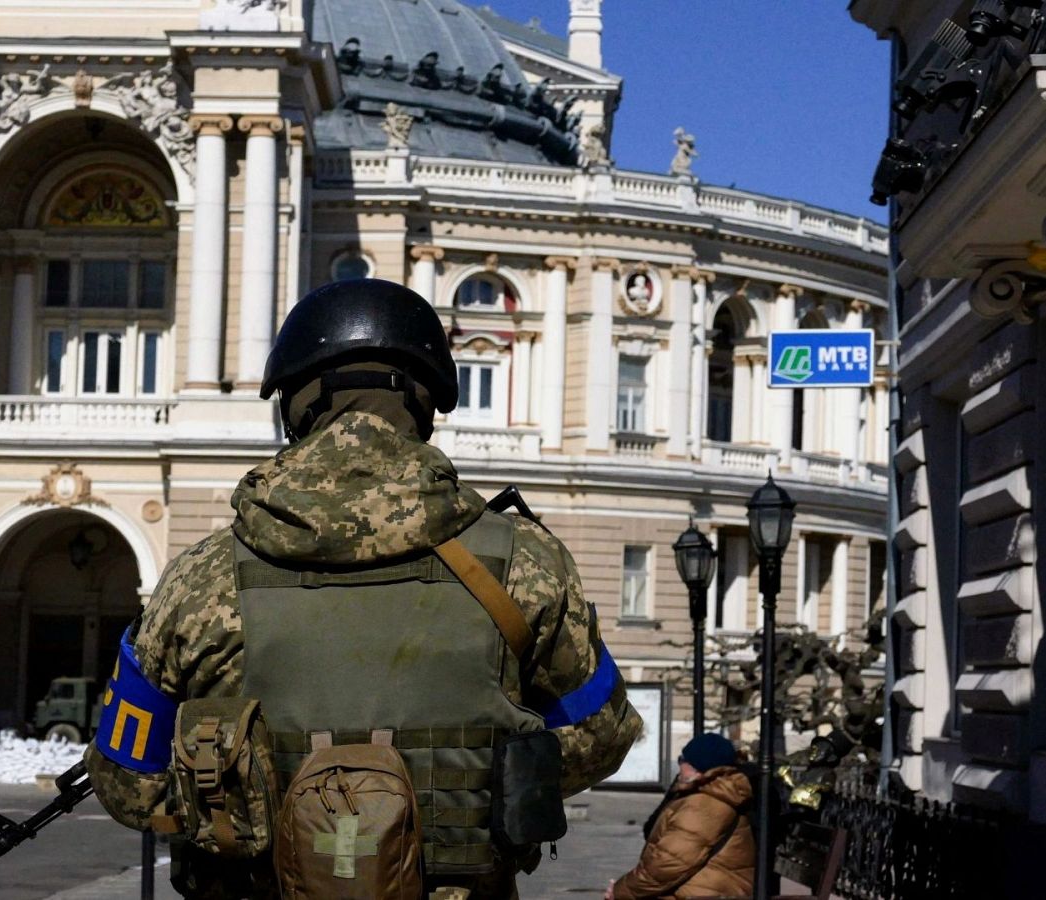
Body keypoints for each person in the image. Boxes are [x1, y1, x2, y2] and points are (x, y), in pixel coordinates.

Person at [86, 279, 642, 899]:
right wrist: (484, 783)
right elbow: (604, 733)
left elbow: (126, 779)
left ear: (296, 402)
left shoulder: (201, 575)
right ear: (428, 403)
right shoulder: (524, 563)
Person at [606, 734, 755, 900]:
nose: (680, 766)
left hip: (707, 891)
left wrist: (620, 892)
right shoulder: (708, 796)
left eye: (682, 760)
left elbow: (668, 864)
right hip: (704, 888)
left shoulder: (704, 805)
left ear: (697, 767)